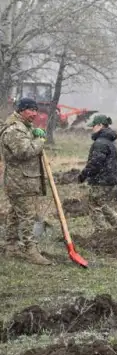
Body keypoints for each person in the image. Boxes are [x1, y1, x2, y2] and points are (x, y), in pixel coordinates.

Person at [1, 98, 51, 265]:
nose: (35, 114)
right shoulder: (14, 129)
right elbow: (24, 151)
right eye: (31, 110)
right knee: (28, 216)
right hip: (19, 181)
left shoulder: (24, 127)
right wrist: (40, 141)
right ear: (21, 110)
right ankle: (30, 250)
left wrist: (34, 133)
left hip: (24, 179)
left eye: (36, 110)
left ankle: (11, 246)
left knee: (15, 214)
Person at [78, 114, 117, 231]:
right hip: (110, 178)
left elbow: (96, 162)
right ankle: (115, 219)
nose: (92, 128)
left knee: (94, 205)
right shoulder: (111, 141)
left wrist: (84, 175)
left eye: (93, 125)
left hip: (101, 179)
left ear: (100, 125)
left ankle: (101, 231)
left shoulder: (101, 142)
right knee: (99, 201)